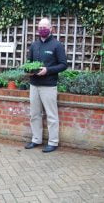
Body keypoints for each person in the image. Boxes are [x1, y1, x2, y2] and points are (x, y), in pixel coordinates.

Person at [24, 18, 68, 153]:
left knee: (51, 115)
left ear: (51, 28)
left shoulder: (57, 45)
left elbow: (63, 65)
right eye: (40, 27)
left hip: (49, 85)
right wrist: (28, 71)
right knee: (34, 114)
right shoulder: (34, 45)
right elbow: (29, 62)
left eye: (45, 27)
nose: (42, 29)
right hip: (34, 85)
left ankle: (53, 142)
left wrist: (48, 70)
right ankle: (36, 139)